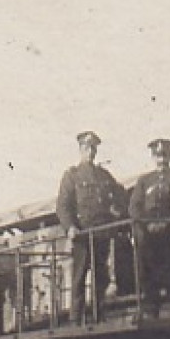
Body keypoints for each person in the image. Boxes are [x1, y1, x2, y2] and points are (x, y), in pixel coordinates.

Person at [56, 130, 128, 322]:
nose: (91, 152)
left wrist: (116, 215)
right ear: (80, 149)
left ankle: (98, 314)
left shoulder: (104, 176)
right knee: (79, 277)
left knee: (101, 276)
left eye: (94, 148)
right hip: (82, 234)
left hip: (102, 233)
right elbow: (63, 206)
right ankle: (75, 318)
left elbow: (120, 196)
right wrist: (70, 227)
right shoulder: (72, 176)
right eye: (87, 148)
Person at [128, 137, 170, 315]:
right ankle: (151, 306)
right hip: (149, 230)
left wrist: (169, 222)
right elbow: (134, 206)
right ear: (153, 157)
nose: (162, 159)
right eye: (158, 156)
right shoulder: (145, 180)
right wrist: (145, 223)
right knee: (147, 264)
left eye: (165, 155)